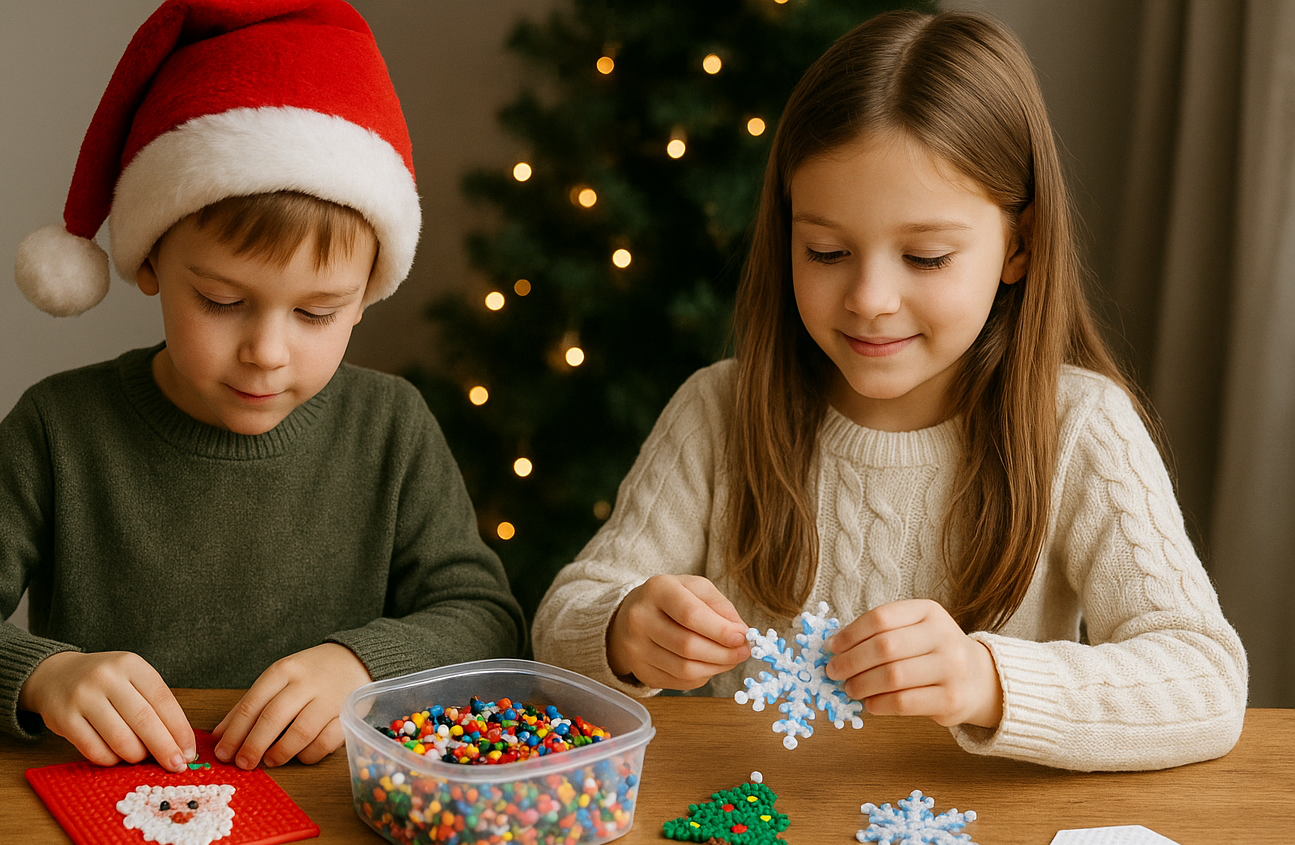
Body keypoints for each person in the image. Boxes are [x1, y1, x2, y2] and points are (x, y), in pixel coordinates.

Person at [532, 10, 1246, 771]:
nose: (870, 297)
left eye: (927, 257)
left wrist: (987, 681)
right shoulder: (719, 411)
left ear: (1020, 245)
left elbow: (1205, 681)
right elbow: (560, 624)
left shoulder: (1078, 425)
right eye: (827, 250)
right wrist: (622, 632)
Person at [0, 0, 524, 774]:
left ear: (367, 294)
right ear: (149, 262)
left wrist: (364, 664)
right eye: (221, 302)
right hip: (104, 811)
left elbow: (485, 618)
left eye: (317, 312)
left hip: (333, 824)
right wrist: (43, 675)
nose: (267, 353)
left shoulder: (392, 427)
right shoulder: (61, 427)